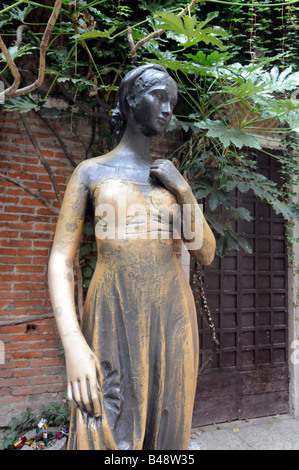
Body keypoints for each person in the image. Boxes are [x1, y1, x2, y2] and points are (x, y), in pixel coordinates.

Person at [48, 63, 216, 450]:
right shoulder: (91, 173)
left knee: (168, 431)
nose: (168, 108)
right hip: (113, 311)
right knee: (105, 421)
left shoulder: (169, 179)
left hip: (171, 314)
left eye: (172, 101)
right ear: (130, 100)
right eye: (159, 95)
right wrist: (73, 343)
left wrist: (184, 189)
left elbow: (205, 252)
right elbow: (60, 260)